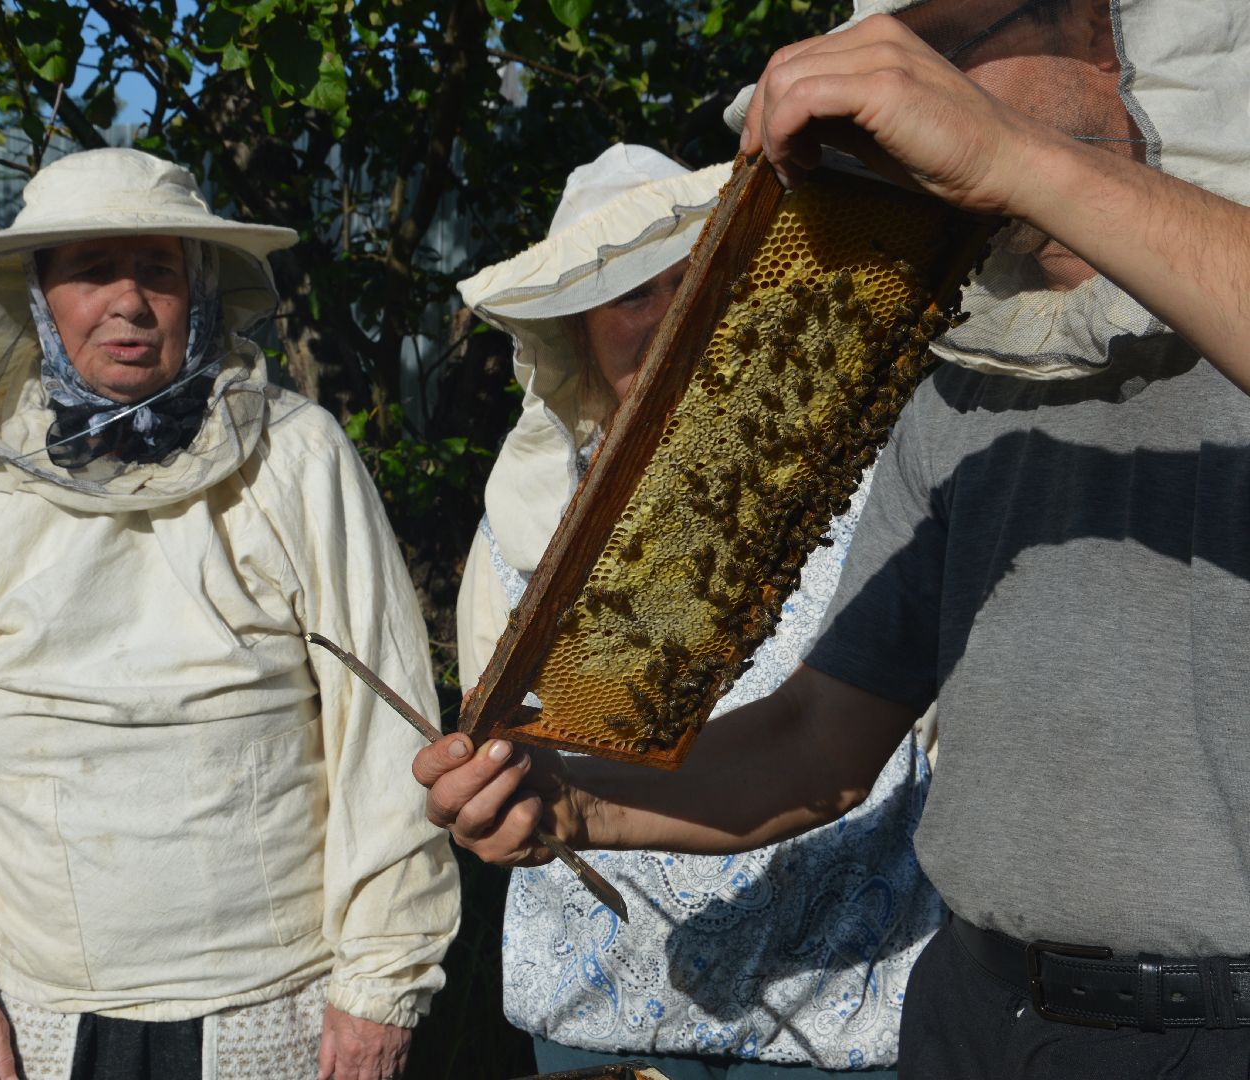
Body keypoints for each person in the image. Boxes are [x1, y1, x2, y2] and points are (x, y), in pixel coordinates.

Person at [415, 3, 1250, 1077]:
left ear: (1105, 39)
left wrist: (1005, 154)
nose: (921, 86)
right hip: (979, 1019)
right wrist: (569, 797)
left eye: (955, 42)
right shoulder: (960, 387)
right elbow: (818, 742)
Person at [0, 147, 459, 1080]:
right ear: (39, 297)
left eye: (158, 272)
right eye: (93, 270)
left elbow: (386, 731)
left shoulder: (296, 458)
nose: (129, 302)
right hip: (38, 1013)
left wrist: (381, 981)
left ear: (200, 291)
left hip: (274, 1005)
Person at [454, 143, 941, 1076]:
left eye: (690, 279)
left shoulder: (862, 474)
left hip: (838, 1011)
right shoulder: (518, 520)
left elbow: (921, 734)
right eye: (632, 295)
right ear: (578, 329)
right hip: (599, 1020)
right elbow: (499, 753)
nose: (669, 315)